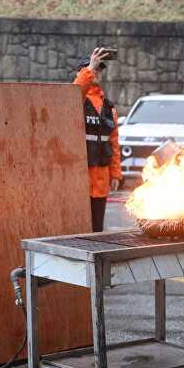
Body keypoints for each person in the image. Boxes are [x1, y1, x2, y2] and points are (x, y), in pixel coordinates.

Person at [73, 47, 122, 232]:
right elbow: (74, 91)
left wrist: (116, 173)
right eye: (93, 67)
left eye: (99, 69)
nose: (97, 71)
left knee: (96, 231)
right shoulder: (76, 97)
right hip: (79, 179)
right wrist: (89, 70)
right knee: (78, 231)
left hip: (101, 180)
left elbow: (113, 142)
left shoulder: (108, 107)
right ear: (82, 71)